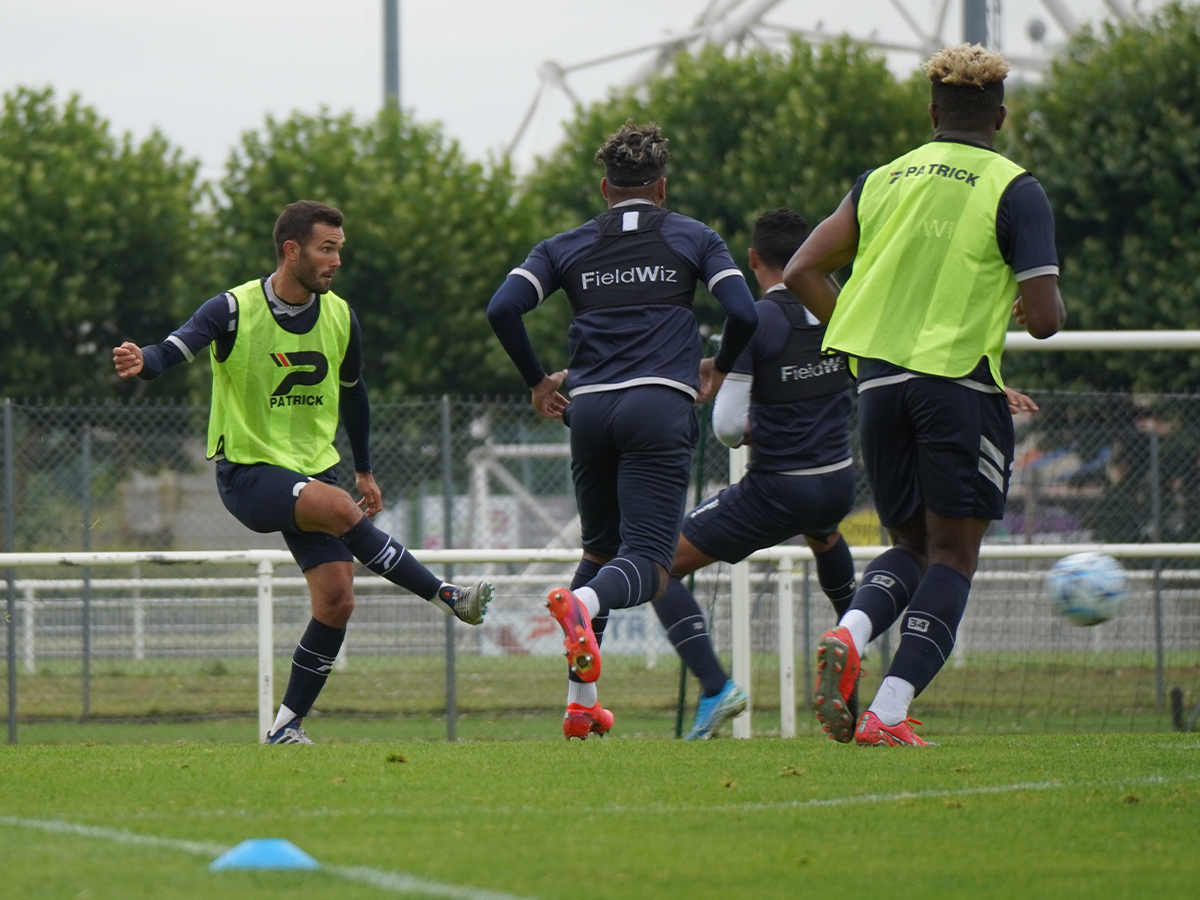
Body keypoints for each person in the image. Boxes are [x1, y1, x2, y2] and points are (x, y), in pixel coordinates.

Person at [113, 200, 491, 744]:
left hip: (315, 474)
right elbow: (174, 349)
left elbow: (354, 393)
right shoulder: (233, 308)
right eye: (326, 249)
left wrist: (363, 469)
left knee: (338, 599)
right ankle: (447, 596)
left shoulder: (341, 316)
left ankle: (285, 727)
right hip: (248, 474)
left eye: (339, 249)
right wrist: (143, 360)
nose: (336, 261)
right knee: (338, 511)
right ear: (292, 251)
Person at [783, 44, 1066, 746]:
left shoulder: (881, 179)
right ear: (1000, 117)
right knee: (953, 557)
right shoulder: (1014, 186)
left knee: (906, 545)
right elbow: (1049, 318)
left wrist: (860, 325)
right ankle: (886, 711)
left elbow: (801, 270)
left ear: (933, 112)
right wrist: (1025, 309)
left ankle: (850, 632)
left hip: (878, 384)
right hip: (957, 383)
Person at [487, 121, 758, 739]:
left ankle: (581, 705)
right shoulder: (695, 237)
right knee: (649, 566)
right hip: (658, 407)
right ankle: (581, 606)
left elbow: (502, 307)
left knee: (599, 552)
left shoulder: (566, 245)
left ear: (605, 188)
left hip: (589, 411)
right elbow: (743, 312)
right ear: (660, 188)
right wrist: (721, 366)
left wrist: (537, 381)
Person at [654, 207, 858, 740]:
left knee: (657, 564)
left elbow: (724, 425)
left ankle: (716, 686)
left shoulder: (756, 320)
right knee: (824, 533)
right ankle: (854, 682)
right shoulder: (842, 307)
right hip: (838, 482)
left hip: (779, 489)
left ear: (752, 260)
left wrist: (750, 424)